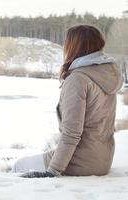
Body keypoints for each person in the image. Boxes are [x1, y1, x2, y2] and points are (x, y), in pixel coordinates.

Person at [11, 25, 123, 178]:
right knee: (48, 147)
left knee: (19, 165)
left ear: (74, 46)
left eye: (67, 42)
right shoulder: (105, 74)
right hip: (103, 159)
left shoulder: (78, 79)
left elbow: (72, 132)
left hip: (81, 161)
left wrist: (53, 171)